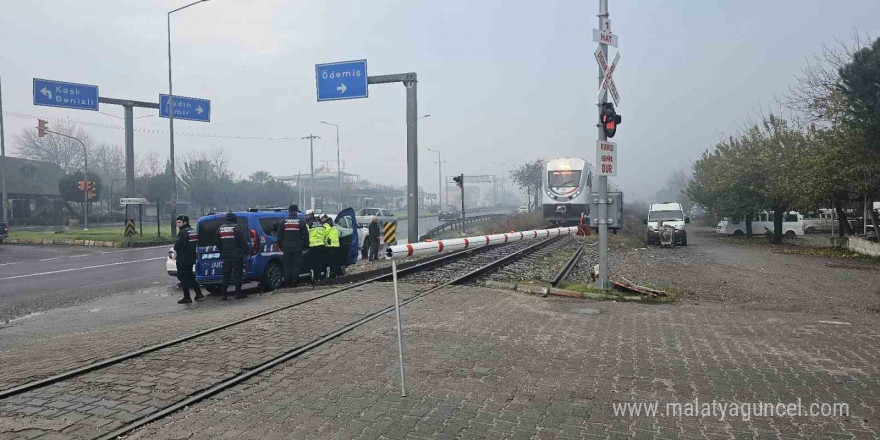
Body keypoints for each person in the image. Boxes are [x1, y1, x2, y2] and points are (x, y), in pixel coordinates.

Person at [215, 212, 247, 300]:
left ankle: (224, 294)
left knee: (226, 274)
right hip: (236, 254)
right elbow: (242, 241)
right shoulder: (236, 227)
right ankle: (238, 293)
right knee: (237, 274)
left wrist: (222, 250)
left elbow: (217, 242)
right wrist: (246, 251)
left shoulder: (220, 228)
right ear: (234, 219)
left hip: (225, 254)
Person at [173, 215, 203, 304]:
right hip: (191, 257)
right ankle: (199, 293)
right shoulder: (193, 231)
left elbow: (177, 246)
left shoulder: (183, 232)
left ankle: (187, 297)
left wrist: (177, 248)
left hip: (183, 258)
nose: (178, 224)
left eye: (179, 222)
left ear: (184, 222)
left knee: (183, 277)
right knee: (190, 276)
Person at [276, 204, 307, 287]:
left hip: (286, 247)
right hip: (297, 247)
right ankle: (295, 281)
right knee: (296, 265)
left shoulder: (282, 222)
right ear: (296, 211)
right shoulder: (301, 222)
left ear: (289, 211)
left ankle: (287, 282)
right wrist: (305, 246)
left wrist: (280, 246)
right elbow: (306, 236)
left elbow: (279, 236)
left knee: (287, 265)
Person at [305, 209, 327, 281]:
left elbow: (305, 235)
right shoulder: (319, 223)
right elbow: (324, 233)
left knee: (313, 263)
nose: (306, 216)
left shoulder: (308, 224)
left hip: (313, 246)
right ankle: (320, 278)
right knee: (320, 262)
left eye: (307, 215)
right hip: (321, 245)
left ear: (310, 215)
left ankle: (314, 278)